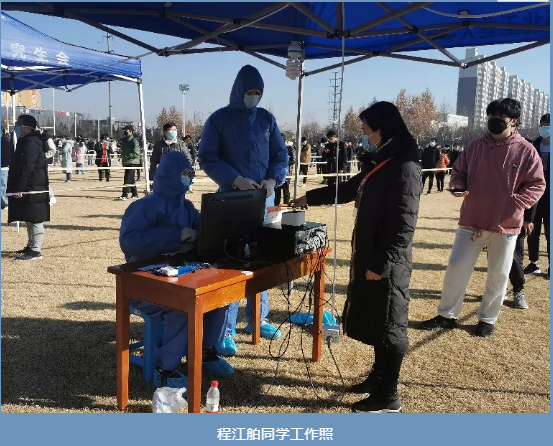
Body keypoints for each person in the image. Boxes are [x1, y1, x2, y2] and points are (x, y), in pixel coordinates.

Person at [290, 101, 422, 413]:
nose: (362, 134)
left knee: (391, 325)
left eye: (365, 129)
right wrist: (309, 198)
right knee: (378, 319)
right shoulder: (382, 162)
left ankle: (388, 396)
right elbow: (349, 189)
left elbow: (403, 225)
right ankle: (378, 377)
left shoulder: (404, 166)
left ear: (381, 130)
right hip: (371, 256)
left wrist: (381, 264)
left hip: (387, 263)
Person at [420, 98, 545, 338]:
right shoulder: (475, 146)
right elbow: (458, 172)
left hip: (506, 224)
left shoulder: (526, 150)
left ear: (513, 121)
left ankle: (487, 319)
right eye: (491, 117)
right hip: (472, 219)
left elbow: (537, 184)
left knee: (498, 273)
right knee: (456, 266)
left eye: (500, 118)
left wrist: (516, 203)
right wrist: (458, 187)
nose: (494, 122)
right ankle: (447, 315)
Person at [120, 151, 233, 387]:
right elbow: (129, 241)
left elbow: (204, 232)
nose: (189, 178)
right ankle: (164, 369)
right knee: (181, 307)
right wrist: (175, 236)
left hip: (177, 276)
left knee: (219, 298)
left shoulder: (187, 208)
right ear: (170, 174)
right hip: (143, 283)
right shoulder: (144, 206)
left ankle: (203, 351)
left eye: (191, 173)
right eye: (185, 173)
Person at [198, 64, 288, 356]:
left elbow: (280, 155)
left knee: (262, 259)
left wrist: (273, 180)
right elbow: (207, 157)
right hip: (231, 201)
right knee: (232, 263)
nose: (253, 96)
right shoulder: (219, 120)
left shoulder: (266, 120)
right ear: (238, 90)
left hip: (263, 199)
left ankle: (258, 318)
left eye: (257, 92)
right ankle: (224, 329)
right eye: (249, 91)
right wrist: (234, 179)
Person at [6, 115, 50, 261]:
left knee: (35, 218)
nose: (17, 126)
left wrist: (20, 188)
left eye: (19, 124)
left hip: (33, 185)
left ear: (27, 127)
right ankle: (31, 246)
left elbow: (27, 167)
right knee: (28, 217)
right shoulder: (25, 140)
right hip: (29, 185)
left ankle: (36, 250)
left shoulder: (32, 143)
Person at [525, 113, 550, 279]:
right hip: (535, 196)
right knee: (533, 230)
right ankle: (534, 262)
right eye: (543, 125)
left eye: (548, 125)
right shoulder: (534, 145)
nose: (545, 128)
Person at [120, 125, 141, 200]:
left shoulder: (134, 141)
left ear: (130, 131)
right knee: (131, 179)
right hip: (127, 162)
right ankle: (135, 194)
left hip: (132, 162)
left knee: (127, 178)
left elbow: (137, 153)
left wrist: (127, 156)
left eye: (126, 130)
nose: (124, 132)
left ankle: (124, 194)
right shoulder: (125, 140)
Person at [275, 138, 295, 205]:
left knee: (286, 191)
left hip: (287, 173)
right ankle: (276, 205)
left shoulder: (290, 149)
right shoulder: (276, 148)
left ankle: (286, 205)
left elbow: (293, 160)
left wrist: (284, 163)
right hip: (278, 173)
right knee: (277, 191)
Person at [1, 127, 14, 210]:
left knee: (3, 186)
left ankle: (6, 203)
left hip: (3, 167)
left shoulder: (5, 142)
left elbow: (6, 155)